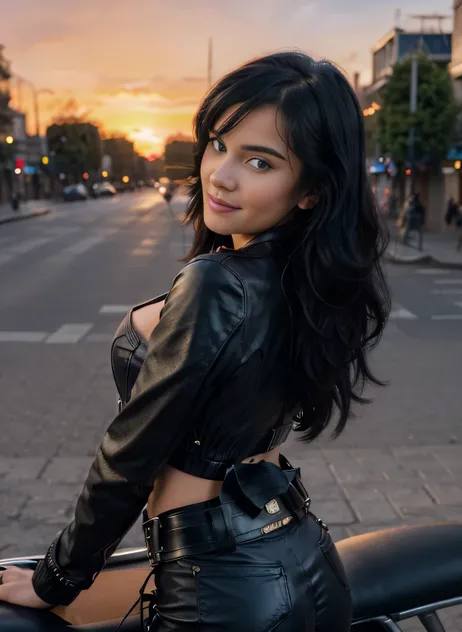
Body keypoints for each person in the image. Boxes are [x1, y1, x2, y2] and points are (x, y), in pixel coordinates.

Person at [0, 52, 390, 630]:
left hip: (221, 592)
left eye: (259, 162)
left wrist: (54, 577)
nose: (220, 175)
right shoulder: (308, 279)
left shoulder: (217, 283)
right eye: (217, 144)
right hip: (303, 559)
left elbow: (130, 456)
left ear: (311, 189)